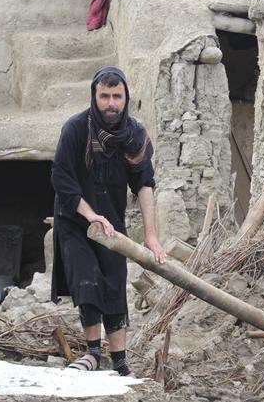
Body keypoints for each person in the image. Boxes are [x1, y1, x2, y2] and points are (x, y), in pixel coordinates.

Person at [51, 66, 166, 375]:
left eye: (117, 96)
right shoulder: (76, 129)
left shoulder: (135, 135)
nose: (111, 103)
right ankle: (92, 353)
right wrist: (90, 215)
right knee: (87, 280)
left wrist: (151, 235)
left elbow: (144, 183)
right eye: (104, 96)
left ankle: (120, 361)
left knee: (114, 283)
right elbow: (61, 178)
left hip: (111, 221)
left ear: (126, 97)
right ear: (94, 96)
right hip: (75, 220)